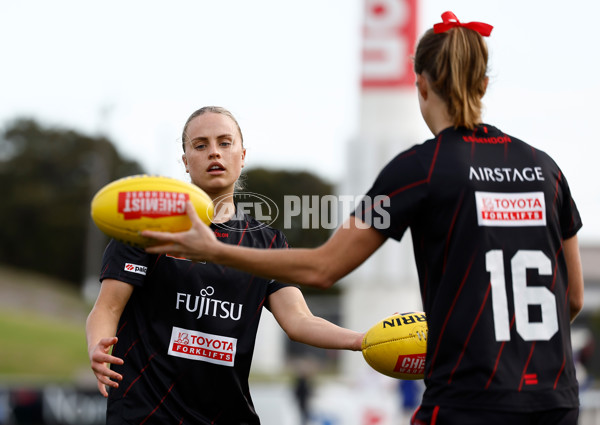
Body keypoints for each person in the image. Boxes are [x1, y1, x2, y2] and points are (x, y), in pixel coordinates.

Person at [143, 12, 585, 425]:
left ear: (422, 87)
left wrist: (216, 250)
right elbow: (573, 299)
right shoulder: (547, 170)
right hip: (555, 398)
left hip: (469, 398)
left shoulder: (417, 170)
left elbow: (324, 267)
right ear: (484, 85)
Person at [86, 106, 364, 425]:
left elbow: (299, 320)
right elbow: (106, 309)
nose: (214, 152)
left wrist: (360, 340)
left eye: (225, 142)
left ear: (242, 155)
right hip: (146, 415)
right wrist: (98, 347)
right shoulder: (146, 228)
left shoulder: (267, 242)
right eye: (200, 145)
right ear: (185, 160)